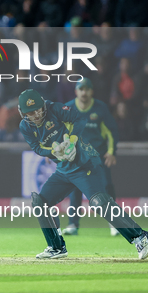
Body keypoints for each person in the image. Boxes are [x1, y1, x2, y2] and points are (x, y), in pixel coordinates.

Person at [18, 89, 148, 260]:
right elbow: (37, 147)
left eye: (37, 109)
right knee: (40, 201)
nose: (36, 114)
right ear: (23, 113)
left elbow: (80, 118)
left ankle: (139, 236)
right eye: (30, 112)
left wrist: (72, 141)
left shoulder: (55, 109)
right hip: (64, 169)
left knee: (99, 202)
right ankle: (56, 247)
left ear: (43, 105)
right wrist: (54, 151)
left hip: (84, 163)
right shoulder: (25, 127)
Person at [62, 79, 120, 237]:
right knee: (75, 189)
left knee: (106, 188)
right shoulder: (68, 108)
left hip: (98, 156)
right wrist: (52, 151)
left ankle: (114, 223)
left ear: (91, 92)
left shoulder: (100, 108)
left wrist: (112, 151)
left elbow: (112, 131)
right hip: (76, 157)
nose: (84, 93)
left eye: (87, 89)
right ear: (76, 91)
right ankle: (73, 224)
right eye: (81, 89)